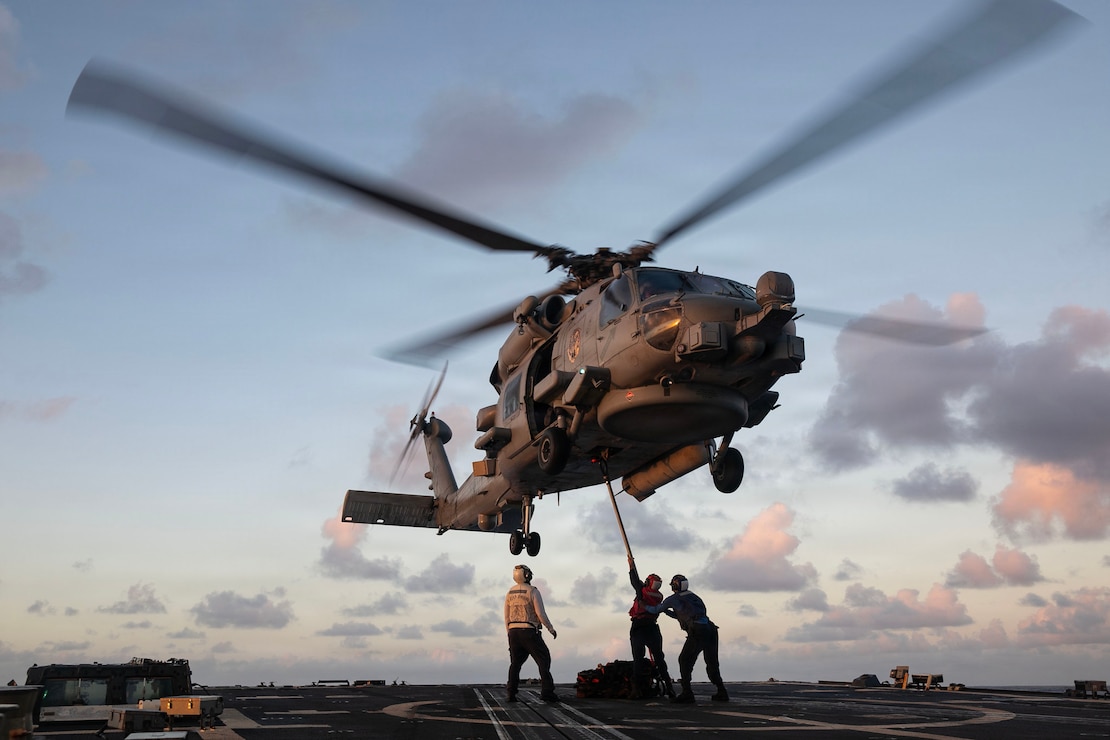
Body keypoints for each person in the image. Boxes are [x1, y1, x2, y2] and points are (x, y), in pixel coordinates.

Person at [644, 574, 728, 703]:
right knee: (712, 662)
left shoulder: (673, 599)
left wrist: (643, 605)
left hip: (698, 631)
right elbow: (687, 614)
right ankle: (721, 691)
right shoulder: (694, 597)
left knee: (684, 660)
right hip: (711, 629)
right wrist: (668, 612)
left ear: (674, 586)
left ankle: (687, 692)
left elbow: (654, 610)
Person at [504, 563, 560, 702]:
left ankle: (511, 692)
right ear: (527, 575)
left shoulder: (509, 592)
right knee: (543, 659)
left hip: (513, 631)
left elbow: (506, 616)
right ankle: (547, 692)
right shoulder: (533, 591)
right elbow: (540, 614)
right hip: (529, 631)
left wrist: (509, 633)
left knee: (515, 663)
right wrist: (550, 628)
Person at [627, 561, 675, 698]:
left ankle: (636, 689)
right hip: (653, 627)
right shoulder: (660, 596)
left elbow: (635, 581)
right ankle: (670, 687)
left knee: (638, 658)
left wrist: (631, 566)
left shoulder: (642, 591)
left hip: (639, 625)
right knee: (659, 657)